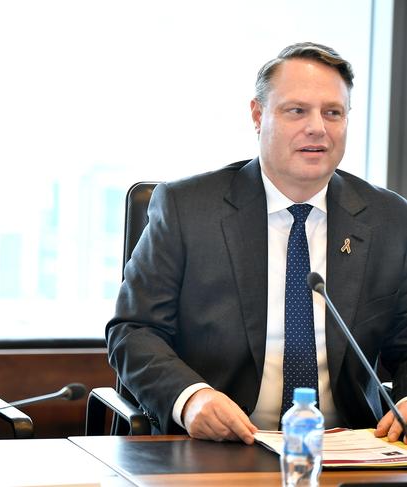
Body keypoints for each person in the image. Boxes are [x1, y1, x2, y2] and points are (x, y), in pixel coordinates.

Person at [106, 42, 407, 445]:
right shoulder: (187, 208)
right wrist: (192, 399)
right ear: (258, 114)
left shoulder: (389, 218)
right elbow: (134, 330)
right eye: (296, 111)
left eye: (332, 112)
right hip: (218, 445)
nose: (317, 127)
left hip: (349, 447)